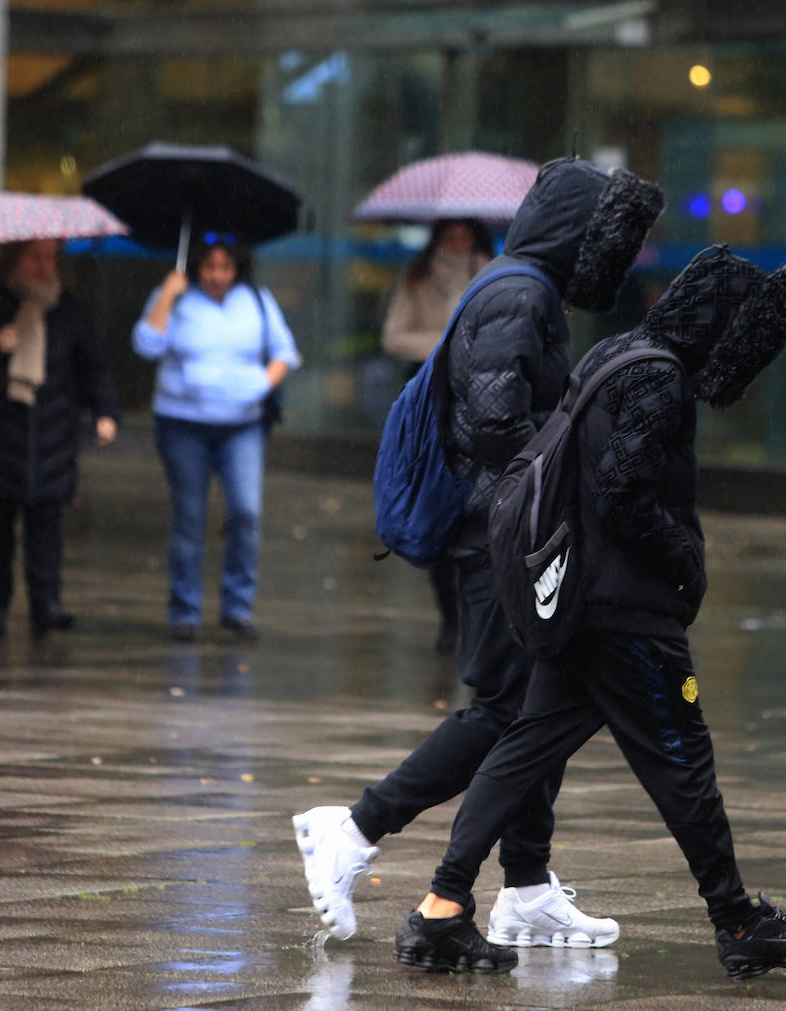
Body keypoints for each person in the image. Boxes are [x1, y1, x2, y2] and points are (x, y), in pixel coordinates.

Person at [392, 247, 786, 979]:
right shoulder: (660, 378)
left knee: (524, 746)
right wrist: (684, 563)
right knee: (683, 761)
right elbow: (624, 488)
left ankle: (441, 908)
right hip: (627, 612)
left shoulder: (617, 350)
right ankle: (737, 920)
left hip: (578, 602)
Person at [294, 157, 665, 946]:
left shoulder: (520, 286)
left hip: (506, 528)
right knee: (509, 708)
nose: (619, 256)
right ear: (578, 231)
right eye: (610, 236)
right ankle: (357, 827)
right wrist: (581, 466)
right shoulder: (520, 292)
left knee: (542, 705)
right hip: (498, 535)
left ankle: (527, 882)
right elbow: (499, 426)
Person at [0, 238, 120, 639]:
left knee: (47, 526)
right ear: (12, 260)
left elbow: (93, 366)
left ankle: (46, 603)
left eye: (50, 257)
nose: (43, 265)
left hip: (53, 435)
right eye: (34, 257)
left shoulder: (68, 311)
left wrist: (106, 412)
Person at [132, 235, 301, 642]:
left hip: (241, 423)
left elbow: (286, 352)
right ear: (197, 267)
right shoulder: (174, 295)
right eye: (209, 268)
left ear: (237, 268)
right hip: (183, 422)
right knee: (190, 517)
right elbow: (146, 346)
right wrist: (166, 297)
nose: (217, 277)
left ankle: (237, 607)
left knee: (246, 513)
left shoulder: (256, 299)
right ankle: (184, 610)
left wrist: (262, 383)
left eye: (225, 268)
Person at [380, 218, 494, 654]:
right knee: (439, 510)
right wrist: (444, 345)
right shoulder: (417, 275)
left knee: (478, 513)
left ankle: (478, 616)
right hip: (431, 403)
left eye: (465, 233)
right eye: (449, 233)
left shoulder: (494, 272)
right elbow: (394, 336)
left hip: (480, 400)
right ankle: (450, 617)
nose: (457, 242)